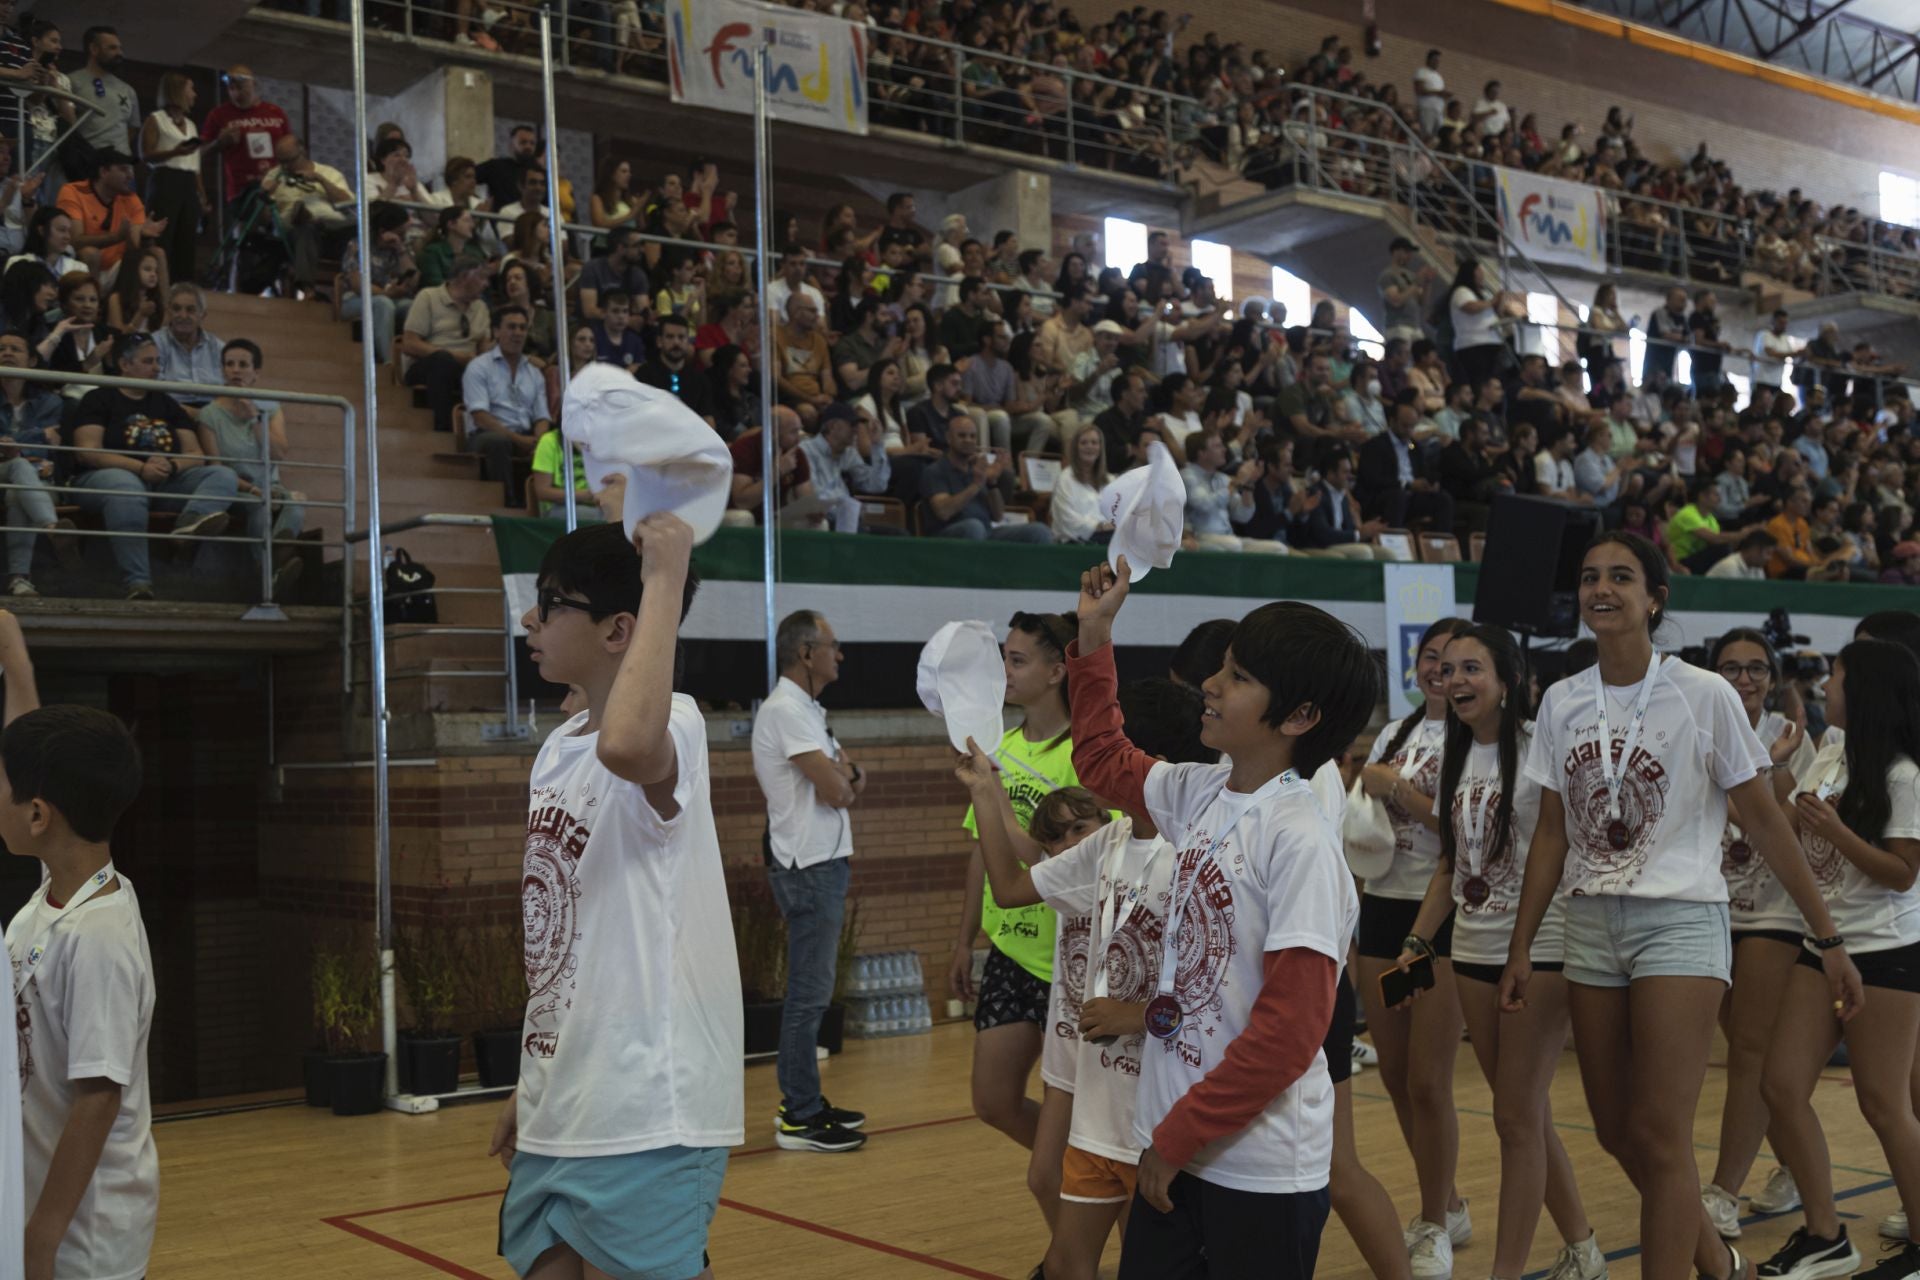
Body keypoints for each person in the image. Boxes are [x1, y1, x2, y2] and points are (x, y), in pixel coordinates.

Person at [1501, 531, 1864, 1280]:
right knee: (1615, 1129)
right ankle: (1716, 1264)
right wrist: (1520, 945)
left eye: (1622, 577)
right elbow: (1550, 836)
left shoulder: (1704, 694)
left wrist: (1827, 939)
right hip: (1591, 925)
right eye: (1591, 576)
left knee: (1661, 1134)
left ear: (1654, 599)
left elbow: (1763, 818)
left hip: (1681, 925)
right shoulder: (1564, 701)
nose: (1603, 588)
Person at [1067, 559, 1378, 1280]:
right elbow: (1102, 758)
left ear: (1300, 717)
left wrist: (1181, 1136)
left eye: (1237, 677)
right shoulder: (1200, 791)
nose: (1210, 684)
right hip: (1179, 1143)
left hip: (1257, 1168)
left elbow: (1291, 1032)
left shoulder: (1298, 839)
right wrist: (1095, 633)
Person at [491, 517, 742, 1280]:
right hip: (564, 1101)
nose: (528, 620)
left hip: (650, 1115)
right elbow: (569, 941)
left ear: (617, 630)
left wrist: (666, 577)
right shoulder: (556, 748)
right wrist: (538, 1070)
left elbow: (630, 744)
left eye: (551, 602)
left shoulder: (679, 728)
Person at [959, 676, 1221, 1280]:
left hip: (1154, 1116)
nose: (1096, 761)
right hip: (1097, 1115)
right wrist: (982, 793)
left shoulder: (1198, 854)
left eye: (1112, 749)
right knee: (1068, 1261)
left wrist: (1139, 1016)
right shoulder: (1110, 840)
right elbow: (1013, 887)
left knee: (1145, 1265)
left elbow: (1216, 994)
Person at [1395, 624, 1607, 1280]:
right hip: (1472, 952)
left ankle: (1506, 1271)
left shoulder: (1539, 751)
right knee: (1527, 1115)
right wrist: (1416, 942)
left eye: (1471, 669)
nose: (1455, 680)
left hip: (1541, 951)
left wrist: (1530, 940)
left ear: (1507, 683)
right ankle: (1584, 1250)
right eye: (1448, 669)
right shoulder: (1457, 760)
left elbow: (1563, 849)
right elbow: (1452, 868)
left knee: (1514, 1116)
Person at [1752, 638, 1920, 1280]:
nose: (1827, 685)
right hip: (1821, 945)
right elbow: (1796, 820)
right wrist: (1775, 770)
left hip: (1886, 951)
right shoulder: (1831, 749)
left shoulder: (1904, 773)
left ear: (1867, 689)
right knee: (1781, 1086)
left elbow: (1902, 873)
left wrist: (1838, 832)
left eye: (1839, 676)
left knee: (1883, 1103)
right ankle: (1825, 1235)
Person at [3, 680, 158, 1280]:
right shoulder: (49, 899)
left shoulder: (99, 936)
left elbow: (98, 1096)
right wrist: (14, 661)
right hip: (37, 1207)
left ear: (38, 814)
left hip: (83, 1240)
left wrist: (42, 1238)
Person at [950, 611, 1085, 1239]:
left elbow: (1049, 857)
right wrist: (964, 938)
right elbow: (984, 849)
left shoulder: (1085, 756)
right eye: (1003, 657)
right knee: (993, 1101)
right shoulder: (999, 747)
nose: (1004, 671)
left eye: (1018, 660)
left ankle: (1072, 1236)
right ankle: (1077, 1174)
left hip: (1069, 965)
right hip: (1009, 952)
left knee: (1061, 1145)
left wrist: (999, 798)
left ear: (1058, 670)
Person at [1355, 617, 1476, 1277]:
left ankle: (1432, 1221)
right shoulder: (1397, 730)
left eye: (1454, 660)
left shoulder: (1477, 738)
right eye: (1431, 657)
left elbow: (1466, 829)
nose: (1440, 670)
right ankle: (1447, 1199)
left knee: (1430, 1080)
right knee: (1398, 1076)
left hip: (1443, 915)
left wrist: (1397, 788)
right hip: (1382, 909)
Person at [1696, 629, 1815, 1239]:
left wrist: (1779, 765)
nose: (1744, 680)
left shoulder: (1794, 740)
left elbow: (1784, 828)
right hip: (1710, 907)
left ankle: (1722, 1190)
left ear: (1772, 677)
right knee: (1747, 1051)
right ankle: (1797, 1163)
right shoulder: (1696, 724)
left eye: (1756, 670)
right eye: (1732, 668)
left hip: (1773, 912)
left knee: (1747, 1049)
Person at [752, 610, 870, 1154]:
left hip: (821, 862)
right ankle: (798, 1113)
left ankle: (805, 1100)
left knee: (814, 994)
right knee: (807, 996)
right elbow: (839, 788)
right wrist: (845, 776)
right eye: (833, 645)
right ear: (806, 653)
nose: (839, 655)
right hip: (809, 867)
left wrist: (845, 776)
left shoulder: (807, 710)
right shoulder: (787, 712)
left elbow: (849, 775)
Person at [70, 334, 240, 601]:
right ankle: (138, 583)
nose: (157, 368)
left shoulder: (165, 402)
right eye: (149, 361)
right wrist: (140, 468)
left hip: (163, 479)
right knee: (126, 488)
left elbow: (196, 454)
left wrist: (172, 465)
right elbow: (87, 451)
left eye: (158, 361)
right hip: (105, 478)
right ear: (125, 365)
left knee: (223, 474)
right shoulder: (99, 397)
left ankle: (189, 524)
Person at [197, 338, 305, 597]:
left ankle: (270, 568)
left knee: (297, 504)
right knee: (260, 506)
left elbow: (279, 453)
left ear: (256, 373)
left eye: (243, 365)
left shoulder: (271, 406)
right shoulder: (209, 414)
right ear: (222, 370)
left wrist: (255, 419)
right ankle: (270, 574)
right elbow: (215, 467)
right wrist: (254, 490)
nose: (235, 370)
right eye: (229, 364)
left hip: (271, 485)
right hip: (236, 487)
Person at [0, 332, 70, 597]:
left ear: (30, 360)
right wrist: (37, 436)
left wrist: (13, 446)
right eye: (2, 348)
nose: (7, 353)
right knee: (19, 467)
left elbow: (50, 447)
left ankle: (19, 580)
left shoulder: (49, 402)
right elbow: (44, 439)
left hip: (35, 476)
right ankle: (52, 529)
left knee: (20, 481)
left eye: (15, 349)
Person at [462, 304, 549, 506]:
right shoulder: (479, 367)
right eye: (511, 327)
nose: (517, 333)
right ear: (496, 332)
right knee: (498, 442)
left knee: (558, 442)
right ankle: (508, 505)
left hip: (525, 435)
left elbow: (542, 417)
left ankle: (548, 508)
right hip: (486, 435)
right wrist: (518, 439)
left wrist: (541, 441)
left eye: (522, 328)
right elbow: (480, 417)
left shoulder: (534, 373)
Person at [919, 415, 1051, 543]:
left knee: (1040, 531)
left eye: (972, 436)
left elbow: (998, 516)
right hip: (948, 535)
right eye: (962, 435)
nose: (968, 440)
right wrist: (976, 484)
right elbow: (943, 512)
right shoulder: (935, 470)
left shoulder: (977, 469)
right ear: (948, 438)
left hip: (987, 533)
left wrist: (992, 482)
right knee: (974, 527)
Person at [401, 252, 491, 436]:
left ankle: (486, 432)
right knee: (443, 361)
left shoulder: (481, 307)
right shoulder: (428, 297)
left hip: (467, 366)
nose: (486, 284)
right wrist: (452, 356)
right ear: (465, 276)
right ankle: (444, 431)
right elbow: (409, 344)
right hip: (428, 364)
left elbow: (484, 348)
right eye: (482, 277)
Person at [258, 133, 353, 293]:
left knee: (364, 224)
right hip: (296, 230)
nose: (286, 166)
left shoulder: (328, 173)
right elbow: (264, 220)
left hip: (335, 230)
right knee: (305, 228)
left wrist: (320, 180)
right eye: (282, 161)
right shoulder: (275, 175)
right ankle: (306, 288)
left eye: (290, 160)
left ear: (303, 152)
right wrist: (265, 196)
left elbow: (347, 204)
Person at [140, 71, 208, 286]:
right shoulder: (155, 120)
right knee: (164, 237)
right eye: (190, 89)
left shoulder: (191, 125)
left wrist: (202, 195)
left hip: (188, 182)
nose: (194, 94)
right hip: (165, 179)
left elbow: (195, 165)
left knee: (186, 238)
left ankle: (183, 286)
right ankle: (158, 284)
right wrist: (174, 152)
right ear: (178, 91)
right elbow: (145, 154)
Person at [55, 150, 157, 290]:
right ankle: (93, 305)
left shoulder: (131, 199)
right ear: (103, 172)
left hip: (116, 267)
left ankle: (166, 309)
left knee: (157, 253)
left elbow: (133, 250)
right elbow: (74, 241)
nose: (131, 176)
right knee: (90, 253)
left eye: (131, 170)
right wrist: (116, 237)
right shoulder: (73, 191)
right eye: (123, 169)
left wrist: (145, 238)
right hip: (79, 266)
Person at [199, 66, 290, 212]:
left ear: (254, 84)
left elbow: (290, 148)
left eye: (240, 85)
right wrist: (219, 143)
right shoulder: (219, 115)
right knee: (251, 227)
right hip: (242, 189)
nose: (236, 91)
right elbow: (198, 153)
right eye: (231, 87)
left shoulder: (275, 112)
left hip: (277, 185)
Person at [1183, 431, 1282, 555]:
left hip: (1228, 538)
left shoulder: (1223, 479)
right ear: (1202, 453)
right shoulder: (1187, 475)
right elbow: (1204, 504)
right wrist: (1236, 483)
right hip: (1200, 535)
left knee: (1278, 549)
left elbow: (1242, 516)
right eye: (1217, 446)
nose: (1224, 449)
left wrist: (1249, 484)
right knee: (1233, 545)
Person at [151, 283, 224, 405]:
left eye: (190, 310)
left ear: (203, 315)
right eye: (176, 309)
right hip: (170, 409)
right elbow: (155, 392)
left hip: (213, 412)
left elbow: (229, 386)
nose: (183, 315)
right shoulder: (155, 342)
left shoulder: (218, 347)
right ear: (168, 312)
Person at [637, 314, 715, 428]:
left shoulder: (700, 379)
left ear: (688, 342)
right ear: (659, 341)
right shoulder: (644, 375)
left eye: (681, 337)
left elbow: (708, 419)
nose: (676, 342)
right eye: (670, 337)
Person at [773, 292, 836, 430]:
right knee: (808, 413)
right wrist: (810, 399)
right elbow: (776, 378)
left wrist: (828, 397)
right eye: (812, 311)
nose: (817, 316)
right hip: (789, 397)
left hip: (817, 398)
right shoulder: (775, 335)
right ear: (796, 313)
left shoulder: (819, 341)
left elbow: (827, 378)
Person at [1445, 259, 1511, 389]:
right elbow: (1470, 308)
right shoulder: (1461, 292)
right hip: (1473, 345)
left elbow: (1498, 313)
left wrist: (1501, 301)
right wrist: (1493, 301)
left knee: (1493, 382)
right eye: (1479, 271)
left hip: (1492, 342)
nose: (1483, 274)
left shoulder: (1484, 293)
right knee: (1479, 382)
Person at [75, 26, 138, 156]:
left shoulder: (128, 90)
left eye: (120, 48)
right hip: (87, 161)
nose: (120, 53)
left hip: (121, 164)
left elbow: (132, 128)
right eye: (112, 48)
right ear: (94, 49)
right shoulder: (72, 82)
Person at [1051, 421, 1111, 545]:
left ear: (1100, 448)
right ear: (1075, 448)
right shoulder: (1065, 478)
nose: (1089, 446)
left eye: (1094, 442)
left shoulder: (1110, 480)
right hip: (1075, 540)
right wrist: (1100, 526)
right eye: (1084, 443)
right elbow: (1066, 519)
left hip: (1108, 535)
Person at [577, 226, 650, 322]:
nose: (642, 250)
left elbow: (642, 309)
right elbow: (589, 311)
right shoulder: (593, 268)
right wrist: (625, 320)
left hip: (623, 327)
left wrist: (648, 316)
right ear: (620, 248)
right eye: (636, 246)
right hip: (594, 326)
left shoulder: (638, 274)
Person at [1380, 238, 1431, 345]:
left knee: (1421, 357)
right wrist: (1417, 283)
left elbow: (1422, 302)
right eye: (1406, 252)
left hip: (1415, 325)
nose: (1409, 256)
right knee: (1403, 358)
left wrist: (1427, 282)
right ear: (1395, 252)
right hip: (1397, 325)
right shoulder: (1388, 275)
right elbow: (1396, 301)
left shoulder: (1411, 276)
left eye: (1410, 252)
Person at [591, 292, 646, 374]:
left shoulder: (635, 341)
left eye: (625, 311)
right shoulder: (593, 338)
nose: (621, 316)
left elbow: (641, 366)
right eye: (615, 311)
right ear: (603, 313)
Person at [1707, 529, 1778, 581]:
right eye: (1768, 553)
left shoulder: (1758, 569)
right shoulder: (1730, 567)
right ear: (1755, 550)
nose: (1770, 558)